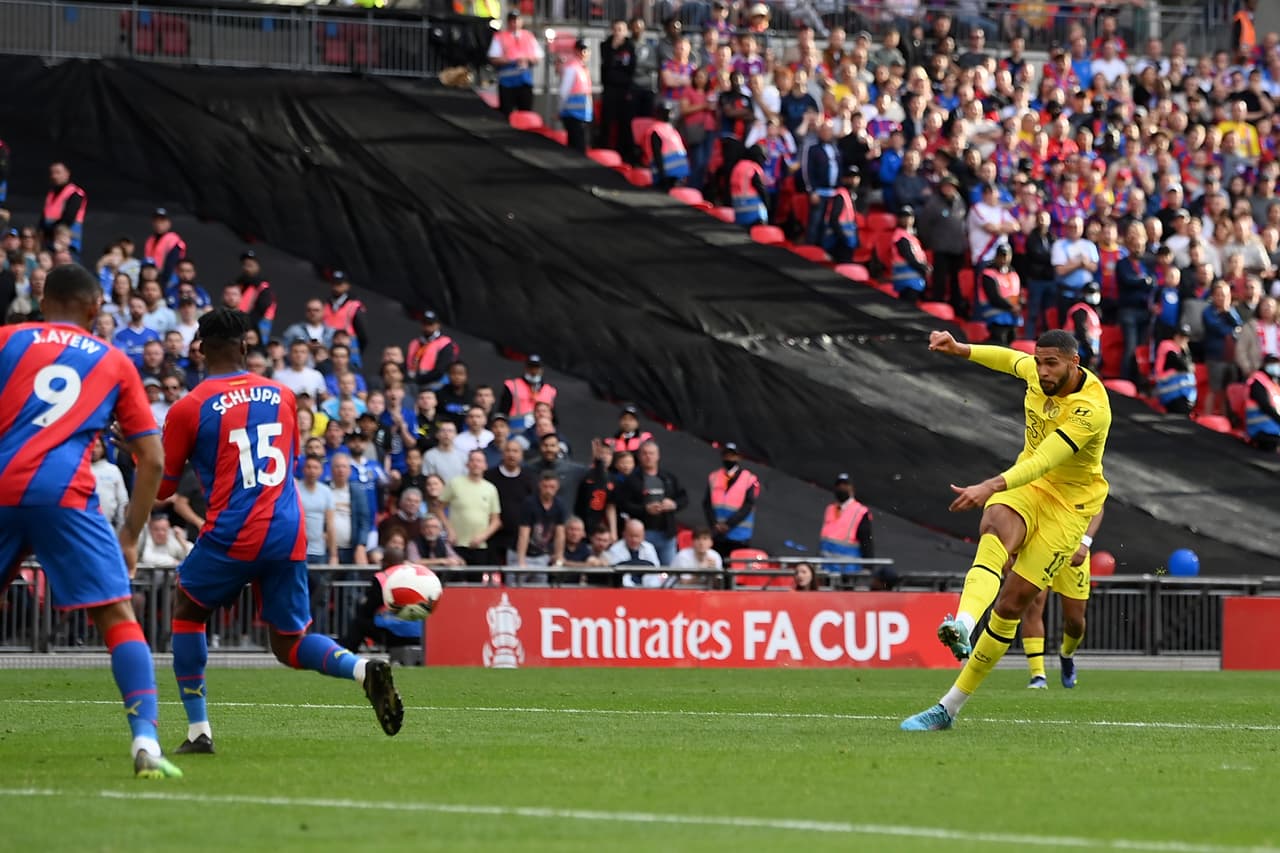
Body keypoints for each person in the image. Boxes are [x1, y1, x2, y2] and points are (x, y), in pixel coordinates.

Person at [159, 308, 404, 754]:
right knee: (288, 644)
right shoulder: (282, 395)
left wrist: (141, 452)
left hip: (234, 529)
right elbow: (286, 461)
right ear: (246, 348)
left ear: (199, 351)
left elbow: (162, 489)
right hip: (286, 529)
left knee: (187, 612)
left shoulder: (187, 408)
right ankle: (361, 668)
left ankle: (198, 732)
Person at [0, 263, 181, 778]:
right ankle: (145, 740)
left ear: (43, 299)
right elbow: (153, 459)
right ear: (96, 307)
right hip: (65, 494)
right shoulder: (113, 359)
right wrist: (130, 535)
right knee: (118, 618)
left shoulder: (6, 340)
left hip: (1, 484)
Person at [902, 328, 1111, 731]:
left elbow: (1046, 459)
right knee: (995, 526)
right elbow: (1005, 358)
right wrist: (959, 348)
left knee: (1013, 605)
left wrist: (989, 485)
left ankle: (950, 705)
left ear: (1074, 364)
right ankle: (963, 623)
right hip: (1027, 488)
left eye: (1052, 363)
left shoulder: (1092, 408)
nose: (1042, 370)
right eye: (1039, 361)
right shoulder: (1036, 371)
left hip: (1068, 507)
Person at [1023, 508, 1104, 689]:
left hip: (1073, 547)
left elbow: (1098, 506)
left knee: (1075, 621)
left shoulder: (1087, 479)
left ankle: (1067, 654)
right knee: (1033, 607)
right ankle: (1038, 675)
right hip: (1040, 544)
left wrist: (1085, 542)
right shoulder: (1034, 478)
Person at [617, 440, 687, 566]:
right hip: (643, 534)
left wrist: (673, 504)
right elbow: (623, 504)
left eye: (651, 453)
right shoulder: (632, 480)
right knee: (645, 569)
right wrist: (645, 509)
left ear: (658, 455)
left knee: (669, 571)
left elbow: (684, 498)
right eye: (645, 454)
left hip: (667, 533)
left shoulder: (668, 478)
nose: (648, 456)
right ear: (639, 456)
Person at [442, 449, 503, 567]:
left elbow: (496, 521)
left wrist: (483, 536)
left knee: (477, 583)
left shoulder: (490, 488)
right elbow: (439, 508)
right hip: (456, 544)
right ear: (467, 464)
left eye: (479, 461)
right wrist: (449, 529)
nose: (476, 463)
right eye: (472, 460)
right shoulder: (454, 483)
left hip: (479, 546)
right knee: (455, 583)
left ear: (485, 465)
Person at [702, 442, 761, 559]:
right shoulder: (714, 477)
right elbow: (707, 504)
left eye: (732, 456)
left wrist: (728, 525)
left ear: (738, 457)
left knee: (735, 571)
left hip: (739, 535)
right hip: (717, 535)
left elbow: (748, 505)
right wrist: (714, 524)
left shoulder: (748, 479)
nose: (729, 459)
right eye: (726, 455)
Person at [513, 471, 568, 582]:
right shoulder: (529, 503)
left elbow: (560, 534)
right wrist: (521, 561)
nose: (548, 490)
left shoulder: (559, 505)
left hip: (541, 555)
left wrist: (559, 558)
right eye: (545, 486)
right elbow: (524, 534)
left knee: (540, 591)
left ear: (557, 487)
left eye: (552, 487)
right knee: (516, 589)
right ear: (540, 486)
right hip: (522, 552)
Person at [489, 11, 542, 116]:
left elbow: (538, 57)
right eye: (512, 21)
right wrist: (511, 60)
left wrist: (526, 59)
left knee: (525, 114)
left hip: (524, 82)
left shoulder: (528, 36)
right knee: (506, 114)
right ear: (508, 22)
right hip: (507, 83)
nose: (515, 23)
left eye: (517, 20)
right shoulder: (500, 37)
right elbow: (493, 58)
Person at [817, 473, 874, 572]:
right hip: (826, 567)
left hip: (847, 568)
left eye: (845, 486)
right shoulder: (830, 509)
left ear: (851, 488)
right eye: (839, 486)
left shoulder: (860, 511)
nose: (841, 488)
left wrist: (867, 566)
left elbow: (866, 541)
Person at [976, 243, 1022, 346]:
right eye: (1001, 256)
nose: (1003, 259)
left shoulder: (1013, 273)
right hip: (995, 316)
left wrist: (1020, 304)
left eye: (1006, 256)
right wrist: (1012, 307)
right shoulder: (988, 274)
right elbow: (994, 297)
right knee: (1000, 343)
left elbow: (1017, 293)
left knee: (1012, 342)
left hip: (1012, 316)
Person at [499, 354, 557, 429]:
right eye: (531, 367)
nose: (534, 371)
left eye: (536, 367)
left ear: (541, 370)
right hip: (516, 429)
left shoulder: (549, 390)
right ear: (526, 368)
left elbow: (554, 418)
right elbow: (503, 411)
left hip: (541, 431)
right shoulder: (512, 385)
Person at [406, 310, 458, 392]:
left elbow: (441, 370)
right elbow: (407, 363)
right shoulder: (415, 343)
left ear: (438, 325)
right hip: (412, 383)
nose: (427, 326)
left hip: (435, 385)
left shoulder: (445, 343)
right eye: (424, 323)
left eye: (430, 324)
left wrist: (418, 379)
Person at [40, 161, 86, 253]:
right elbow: (44, 217)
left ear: (67, 173)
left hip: (68, 244)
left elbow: (68, 218)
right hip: (50, 242)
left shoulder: (75, 193)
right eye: (52, 173)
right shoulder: (51, 194)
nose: (54, 176)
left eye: (58, 172)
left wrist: (49, 231)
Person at [888, 205, 930, 302]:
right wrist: (923, 268)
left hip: (913, 279)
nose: (906, 220)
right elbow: (908, 256)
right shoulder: (900, 237)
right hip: (907, 280)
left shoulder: (911, 237)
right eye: (903, 217)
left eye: (909, 217)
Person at [559, 39, 594, 154]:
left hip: (582, 115)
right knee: (577, 148)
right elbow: (564, 92)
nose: (584, 53)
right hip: (572, 115)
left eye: (586, 50)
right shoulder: (572, 67)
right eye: (581, 50)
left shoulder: (582, 68)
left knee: (580, 146)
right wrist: (561, 110)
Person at [1153, 325, 1197, 415]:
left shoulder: (1179, 350)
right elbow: (1186, 366)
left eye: (1186, 338)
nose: (1183, 340)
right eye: (1181, 337)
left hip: (1181, 395)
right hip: (1169, 392)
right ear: (1175, 336)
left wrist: (1186, 351)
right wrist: (1186, 351)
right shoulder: (1168, 348)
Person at [607, 518, 663, 588]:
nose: (634, 539)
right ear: (624, 534)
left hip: (647, 590)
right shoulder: (615, 549)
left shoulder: (649, 548)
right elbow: (617, 574)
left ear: (643, 536)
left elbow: (655, 570)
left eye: (637, 536)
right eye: (631, 536)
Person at [1063, 282, 1103, 373]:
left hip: (1089, 351)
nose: (1094, 295)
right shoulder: (1079, 310)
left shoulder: (1093, 311)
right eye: (1091, 292)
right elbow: (1081, 331)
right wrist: (1090, 351)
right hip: (1078, 350)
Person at [1244, 354, 1280, 451]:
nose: (1276, 367)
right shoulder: (1257, 382)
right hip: (1260, 430)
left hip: (1273, 428)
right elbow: (1265, 405)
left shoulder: (1272, 382)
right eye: (1273, 364)